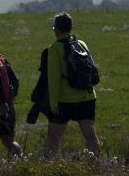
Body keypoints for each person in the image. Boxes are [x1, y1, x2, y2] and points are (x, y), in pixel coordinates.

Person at [43, 12, 100, 158]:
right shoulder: (81, 44)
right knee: (91, 137)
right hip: (87, 97)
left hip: (65, 101)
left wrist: (53, 104)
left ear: (57, 29)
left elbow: (54, 80)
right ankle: (94, 168)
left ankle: (46, 169)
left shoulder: (55, 49)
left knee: (53, 139)